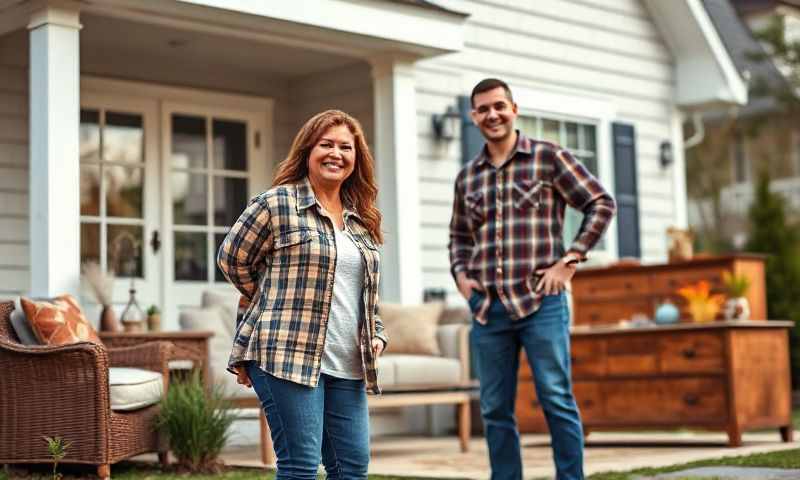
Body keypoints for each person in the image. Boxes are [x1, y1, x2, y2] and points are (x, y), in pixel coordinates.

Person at [448, 79, 616, 480]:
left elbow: (600, 203)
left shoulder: (548, 158)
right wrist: (461, 278)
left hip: (542, 303)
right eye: (483, 109)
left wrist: (570, 259)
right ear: (474, 117)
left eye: (499, 106)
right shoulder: (468, 177)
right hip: (488, 309)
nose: (492, 115)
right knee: (494, 409)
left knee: (556, 399)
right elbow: (458, 236)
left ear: (514, 109)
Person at [217, 109, 388, 480]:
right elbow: (232, 260)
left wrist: (376, 332)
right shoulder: (277, 204)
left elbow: (365, 292)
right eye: (326, 144)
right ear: (308, 150)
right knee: (301, 467)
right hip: (286, 353)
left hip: (348, 361)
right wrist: (272, 300)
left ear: (356, 159)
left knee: (352, 466)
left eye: (346, 147)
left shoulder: (362, 218)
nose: (336, 154)